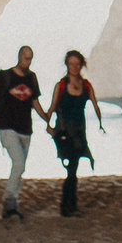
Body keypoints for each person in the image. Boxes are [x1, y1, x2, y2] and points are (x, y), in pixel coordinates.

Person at [0, 44, 44, 219]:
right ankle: (9, 202)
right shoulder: (3, 77)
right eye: (25, 58)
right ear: (19, 56)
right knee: (18, 163)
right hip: (7, 127)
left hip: (26, 129)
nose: (28, 61)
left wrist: (48, 121)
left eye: (30, 58)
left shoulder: (32, 78)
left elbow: (35, 103)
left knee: (20, 167)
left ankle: (12, 202)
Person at [46, 49, 104, 217]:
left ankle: (70, 205)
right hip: (64, 130)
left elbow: (95, 105)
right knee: (72, 167)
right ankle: (68, 206)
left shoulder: (86, 85)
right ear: (67, 65)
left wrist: (100, 123)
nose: (74, 67)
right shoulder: (61, 85)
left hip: (79, 131)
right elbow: (52, 107)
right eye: (71, 63)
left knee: (74, 166)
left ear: (81, 65)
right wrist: (48, 125)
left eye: (77, 64)